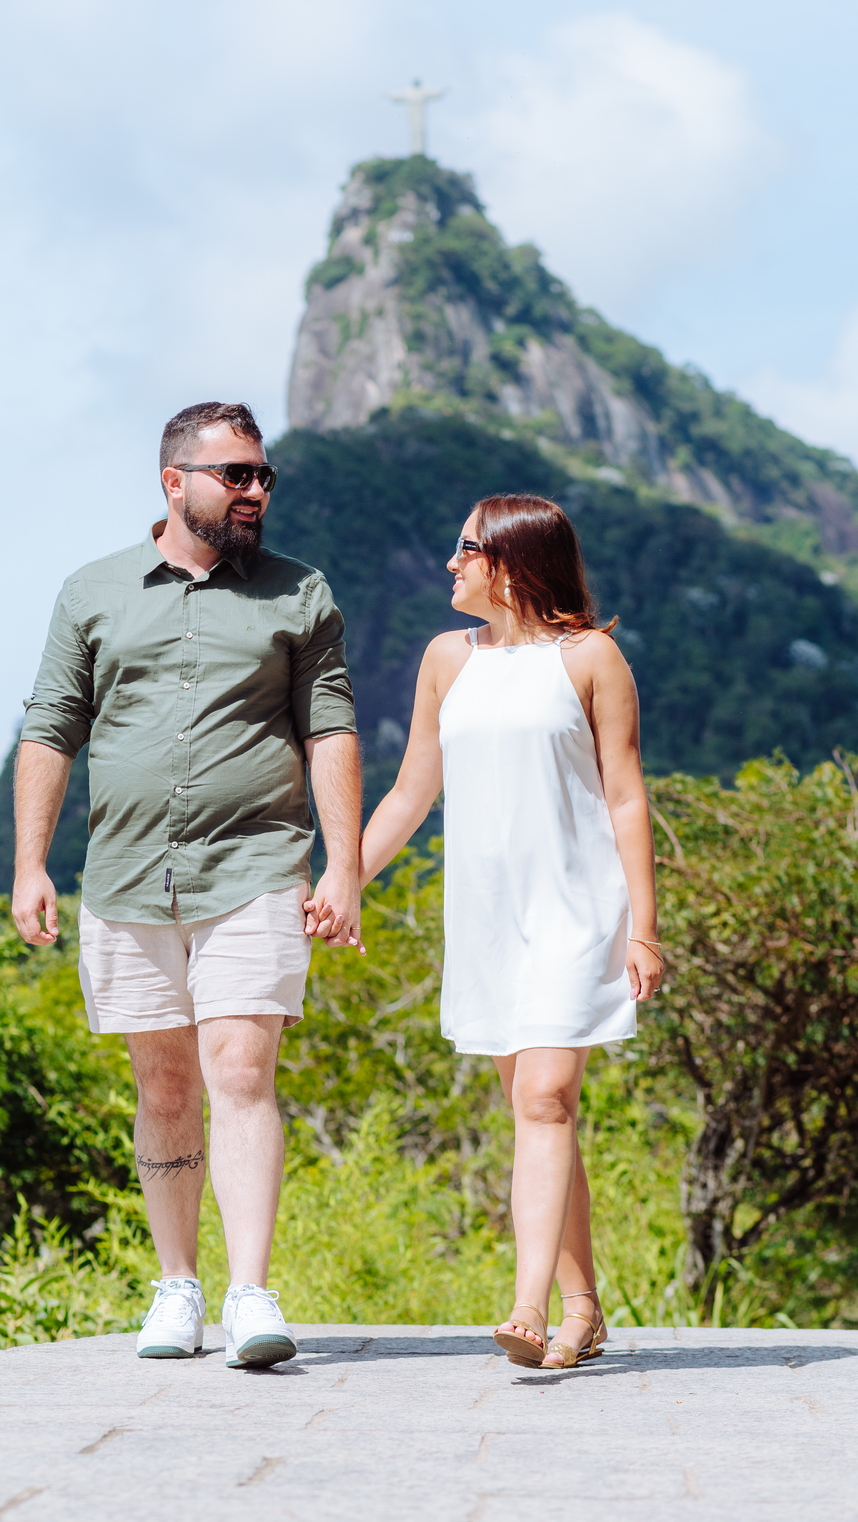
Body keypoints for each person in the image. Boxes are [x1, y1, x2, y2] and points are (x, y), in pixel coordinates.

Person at [12, 400, 362, 1370]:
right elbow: (50, 728)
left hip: (255, 866)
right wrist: (29, 863)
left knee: (242, 1072)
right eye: (234, 475)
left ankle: (252, 1291)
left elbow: (329, 729)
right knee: (163, 1085)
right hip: (123, 877)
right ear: (175, 483)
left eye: (263, 476)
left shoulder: (301, 594)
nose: (254, 491)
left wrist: (345, 863)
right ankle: (178, 1287)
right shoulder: (92, 591)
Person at [338, 492, 662, 1370]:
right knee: (535, 1110)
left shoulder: (593, 659)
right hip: (488, 916)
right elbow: (410, 793)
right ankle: (584, 1307)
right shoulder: (449, 659)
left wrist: (646, 928)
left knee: (546, 1100)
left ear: (512, 561)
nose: (450, 564)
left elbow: (627, 795)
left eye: (465, 549)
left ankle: (526, 1306)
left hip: (577, 907)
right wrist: (345, 882)